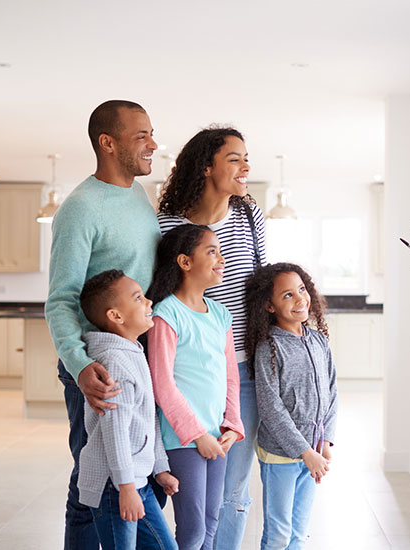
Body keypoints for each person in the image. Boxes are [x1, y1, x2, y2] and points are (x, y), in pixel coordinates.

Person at [45, 100, 161, 550]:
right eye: (141, 136)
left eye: (152, 133)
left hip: (135, 354)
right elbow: (60, 299)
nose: (152, 144)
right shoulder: (79, 209)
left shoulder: (137, 194)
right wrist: (78, 366)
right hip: (98, 367)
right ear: (107, 143)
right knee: (94, 478)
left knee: (124, 472)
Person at [156, 126, 266, 550]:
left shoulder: (248, 216)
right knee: (186, 496)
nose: (245, 167)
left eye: (246, 157)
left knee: (232, 490)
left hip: (243, 368)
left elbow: (259, 283)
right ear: (206, 167)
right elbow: (164, 292)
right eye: (234, 158)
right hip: (188, 375)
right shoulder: (167, 224)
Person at [145, 224, 245, 550]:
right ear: (185, 262)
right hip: (184, 439)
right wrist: (197, 434)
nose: (221, 258)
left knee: (212, 521)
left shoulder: (220, 314)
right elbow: (162, 384)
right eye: (211, 251)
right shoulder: (166, 314)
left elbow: (231, 376)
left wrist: (232, 424)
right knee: (192, 529)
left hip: (218, 436)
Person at [76, 269, 178, 550]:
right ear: (116, 316)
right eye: (138, 298)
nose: (148, 303)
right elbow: (115, 432)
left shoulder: (133, 352)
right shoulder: (114, 362)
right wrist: (126, 488)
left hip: (136, 482)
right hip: (115, 486)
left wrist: (160, 469)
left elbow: (148, 419)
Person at [244, 263, 337, 550]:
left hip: (313, 453)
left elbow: (332, 391)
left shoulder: (319, 340)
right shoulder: (269, 347)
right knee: (279, 534)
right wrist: (305, 452)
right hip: (280, 456)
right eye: (287, 295)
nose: (300, 299)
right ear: (269, 306)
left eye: (301, 289)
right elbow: (271, 409)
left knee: (299, 533)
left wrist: (325, 440)